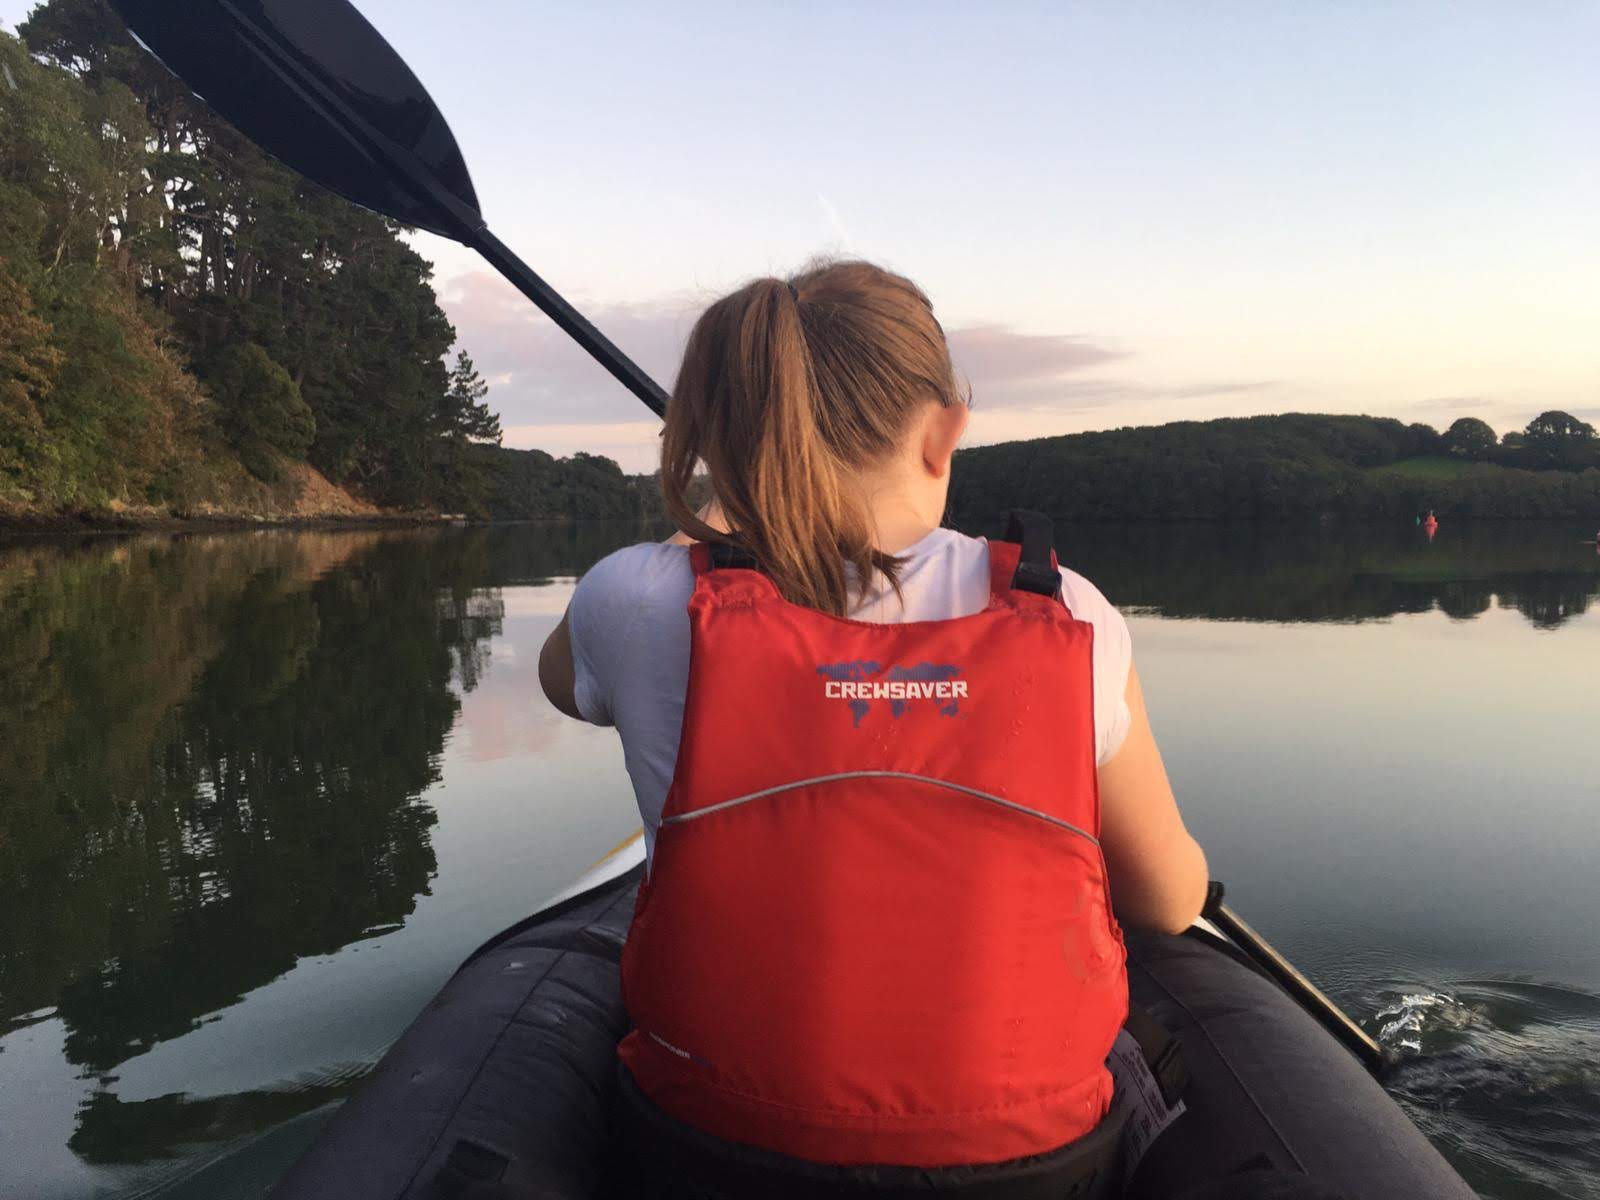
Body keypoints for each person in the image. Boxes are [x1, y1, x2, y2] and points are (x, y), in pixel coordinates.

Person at [539, 259, 1208, 1193]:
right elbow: (1168, 901)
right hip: (1033, 1172)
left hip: (714, 1158)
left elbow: (560, 683)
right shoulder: (1072, 614)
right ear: (945, 432)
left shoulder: (636, 597)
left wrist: (724, 524)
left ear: (732, 434)